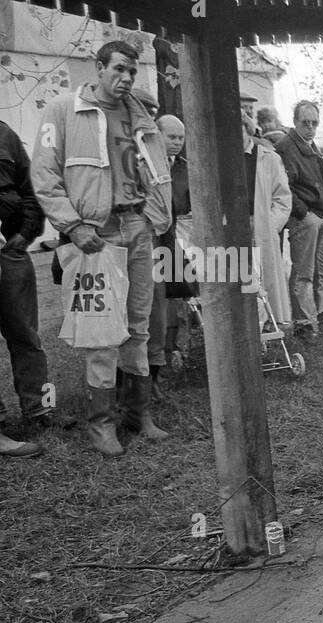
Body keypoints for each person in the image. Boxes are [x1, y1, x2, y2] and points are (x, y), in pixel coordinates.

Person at [31, 40, 172, 457]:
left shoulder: (140, 113)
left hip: (138, 227)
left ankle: (138, 413)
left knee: (139, 325)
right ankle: (101, 424)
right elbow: (44, 174)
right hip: (95, 233)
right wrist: (72, 225)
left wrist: (151, 217)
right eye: (119, 69)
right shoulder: (63, 109)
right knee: (101, 333)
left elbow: (156, 171)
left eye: (132, 71)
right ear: (99, 67)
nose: (126, 78)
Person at [0, 119, 50, 457]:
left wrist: (27, 232)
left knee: (28, 335)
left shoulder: (4, 133)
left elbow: (30, 186)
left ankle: (42, 409)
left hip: (11, 250)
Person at [277, 100, 323, 334]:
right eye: (305, 123)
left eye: (314, 123)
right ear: (295, 122)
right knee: (303, 272)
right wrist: (304, 214)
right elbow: (284, 187)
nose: (310, 127)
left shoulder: (311, 146)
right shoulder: (286, 147)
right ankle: (303, 321)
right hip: (306, 217)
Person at [239, 108, 293, 330]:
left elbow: (282, 198)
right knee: (239, 277)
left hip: (260, 225)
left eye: (239, 130)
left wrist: (269, 225)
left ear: (248, 130)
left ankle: (264, 324)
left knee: (262, 277)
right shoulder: (218, 159)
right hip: (232, 228)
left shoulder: (268, 159)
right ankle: (244, 324)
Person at [146, 114, 187, 398]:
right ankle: (143, 377)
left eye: (181, 138)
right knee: (150, 310)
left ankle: (161, 368)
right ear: (157, 134)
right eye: (171, 136)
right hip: (148, 242)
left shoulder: (185, 169)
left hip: (172, 243)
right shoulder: (146, 166)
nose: (176, 142)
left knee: (170, 308)